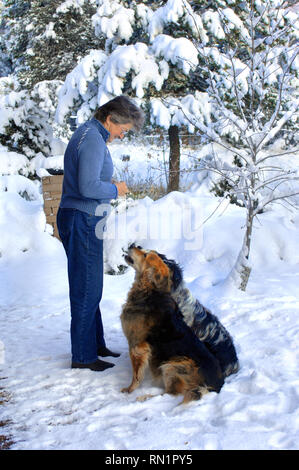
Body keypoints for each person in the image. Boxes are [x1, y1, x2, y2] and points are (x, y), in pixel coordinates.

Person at [57, 95, 144, 371]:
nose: (122, 135)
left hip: (85, 220)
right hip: (81, 219)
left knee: (90, 285)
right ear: (111, 119)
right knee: (86, 288)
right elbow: (88, 187)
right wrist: (115, 190)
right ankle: (83, 357)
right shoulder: (92, 138)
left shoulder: (92, 135)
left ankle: (95, 344)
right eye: (123, 129)